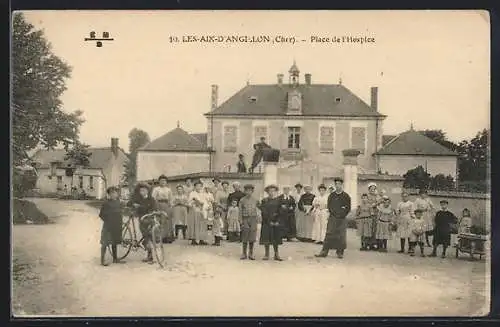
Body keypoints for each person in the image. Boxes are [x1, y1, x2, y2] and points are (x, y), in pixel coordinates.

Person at [315, 177, 351, 259]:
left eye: (339, 184)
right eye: (336, 184)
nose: (338, 186)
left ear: (342, 185)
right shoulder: (331, 195)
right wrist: (334, 213)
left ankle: (340, 252)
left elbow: (347, 208)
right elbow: (330, 207)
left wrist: (341, 214)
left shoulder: (346, 196)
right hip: (333, 218)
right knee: (329, 234)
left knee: (341, 235)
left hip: (341, 218)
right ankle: (324, 251)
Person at [128, 183, 158, 264]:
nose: (142, 192)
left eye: (144, 190)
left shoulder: (151, 199)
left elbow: (154, 208)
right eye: (141, 190)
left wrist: (140, 207)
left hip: (149, 219)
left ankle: (151, 254)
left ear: (147, 191)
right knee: (146, 237)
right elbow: (129, 203)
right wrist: (133, 204)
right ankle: (150, 255)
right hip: (142, 219)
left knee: (150, 236)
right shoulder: (139, 199)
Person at [99, 186, 125, 266]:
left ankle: (115, 258)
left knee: (115, 241)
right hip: (108, 225)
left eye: (115, 193)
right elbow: (101, 214)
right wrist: (107, 220)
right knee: (105, 242)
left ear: (117, 194)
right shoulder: (106, 203)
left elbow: (121, 211)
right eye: (112, 193)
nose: (114, 194)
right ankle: (102, 260)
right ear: (109, 194)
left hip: (117, 224)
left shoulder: (118, 202)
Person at [259, 184, 285, 261]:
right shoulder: (264, 201)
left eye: (273, 191)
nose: (272, 192)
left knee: (275, 238)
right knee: (266, 238)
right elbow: (264, 212)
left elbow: (281, 212)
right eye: (270, 191)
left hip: (276, 222)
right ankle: (266, 254)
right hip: (267, 222)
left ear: (276, 192)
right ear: (267, 192)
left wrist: (277, 221)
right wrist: (269, 221)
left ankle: (276, 254)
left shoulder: (279, 201)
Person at [238, 184, 260, 259]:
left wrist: (258, 218)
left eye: (250, 190)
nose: (248, 192)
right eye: (247, 190)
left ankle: (251, 253)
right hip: (245, 219)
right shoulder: (242, 200)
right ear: (245, 191)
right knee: (245, 236)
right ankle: (244, 253)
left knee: (252, 237)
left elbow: (259, 208)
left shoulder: (255, 200)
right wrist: (240, 221)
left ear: (252, 191)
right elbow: (240, 211)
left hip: (253, 219)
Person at [152, 175, 175, 243]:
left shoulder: (168, 189)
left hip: (167, 206)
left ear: (166, 182)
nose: (163, 182)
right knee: (159, 221)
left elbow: (171, 199)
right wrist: (155, 206)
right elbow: (153, 198)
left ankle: (167, 237)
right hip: (158, 205)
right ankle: (159, 237)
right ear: (159, 181)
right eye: (161, 181)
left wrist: (171, 206)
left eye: (164, 181)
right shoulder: (156, 189)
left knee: (167, 221)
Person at [187, 180, 210, 245]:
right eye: (197, 186)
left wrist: (203, 204)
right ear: (194, 187)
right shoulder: (192, 193)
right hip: (194, 210)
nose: (198, 187)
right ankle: (194, 239)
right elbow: (189, 202)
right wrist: (194, 202)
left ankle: (201, 239)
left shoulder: (203, 194)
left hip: (201, 211)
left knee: (202, 225)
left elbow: (206, 202)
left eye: (200, 186)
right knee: (194, 224)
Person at [366, 183, 383, 251]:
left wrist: (376, 204)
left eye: (374, 189)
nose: (372, 190)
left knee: (375, 229)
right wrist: (374, 204)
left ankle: (374, 243)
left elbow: (381, 202)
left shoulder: (377, 196)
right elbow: (367, 205)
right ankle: (368, 244)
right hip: (369, 214)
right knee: (369, 229)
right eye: (371, 189)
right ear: (369, 189)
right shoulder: (367, 196)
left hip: (376, 214)